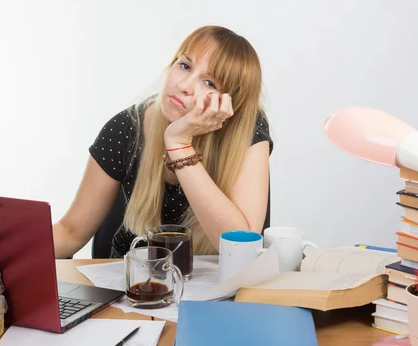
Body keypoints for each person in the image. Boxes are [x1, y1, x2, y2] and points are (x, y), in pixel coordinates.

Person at [53, 25, 273, 258]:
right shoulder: (127, 128)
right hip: (133, 284)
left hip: (214, 287)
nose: (184, 86)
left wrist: (179, 144)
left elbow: (239, 247)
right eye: (185, 65)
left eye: (209, 83)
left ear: (230, 104)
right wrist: (14, 249)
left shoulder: (248, 128)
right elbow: (70, 232)